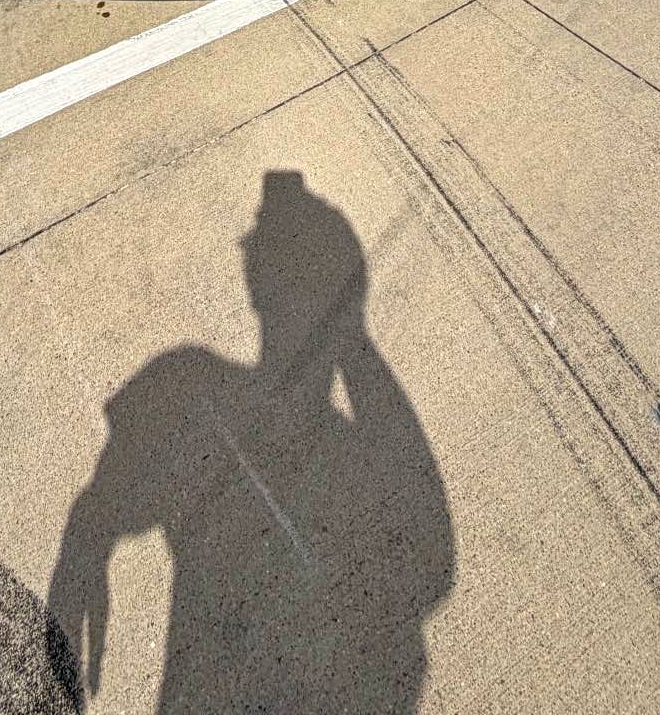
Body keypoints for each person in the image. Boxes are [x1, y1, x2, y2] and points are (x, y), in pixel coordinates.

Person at [47, 171, 454, 712]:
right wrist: (349, 337)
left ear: (256, 280)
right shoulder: (358, 453)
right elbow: (431, 567)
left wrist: (84, 554)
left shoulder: (188, 382)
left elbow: (101, 507)